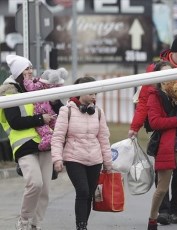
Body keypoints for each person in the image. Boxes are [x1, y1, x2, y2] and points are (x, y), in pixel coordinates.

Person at [128, 35, 177, 225]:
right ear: (172, 52)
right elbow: (144, 102)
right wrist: (134, 127)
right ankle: (162, 211)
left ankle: (174, 211)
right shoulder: (157, 70)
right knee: (163, 172)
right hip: (163, 129)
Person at [0, 54, 63, 230]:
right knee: (35, 183)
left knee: (45, 190)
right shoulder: (8, 91)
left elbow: (59, 109)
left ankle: (36, 225)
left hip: (45, 141)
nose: (30, 71)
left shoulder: (39, 86)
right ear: (19, 72)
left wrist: (55, 100)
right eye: (26, 68)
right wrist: (40, 119)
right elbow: (14, 122)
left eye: (30, 67)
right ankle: (24, 220)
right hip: (24, 144)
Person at [51, 76, 113, 230]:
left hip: (95, 159)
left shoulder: (98, 112)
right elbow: (58, 137)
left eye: (95, 94)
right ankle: (81, 225)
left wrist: (108, 162)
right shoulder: (66, 111)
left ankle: (83, 224)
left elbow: (104, 138)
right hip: (73, 158)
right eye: (91, 93)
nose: (94, 96)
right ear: (80, 92)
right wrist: (57, 159)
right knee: (83, 191)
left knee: (90, 194)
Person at [146, 61, 177, 230]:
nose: (169, 78)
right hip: (167, 146)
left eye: (172, 73)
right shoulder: (155, 96)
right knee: (161, 188)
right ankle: (153, 218)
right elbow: (154, 122)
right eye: (165, 74)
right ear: (158, 77)